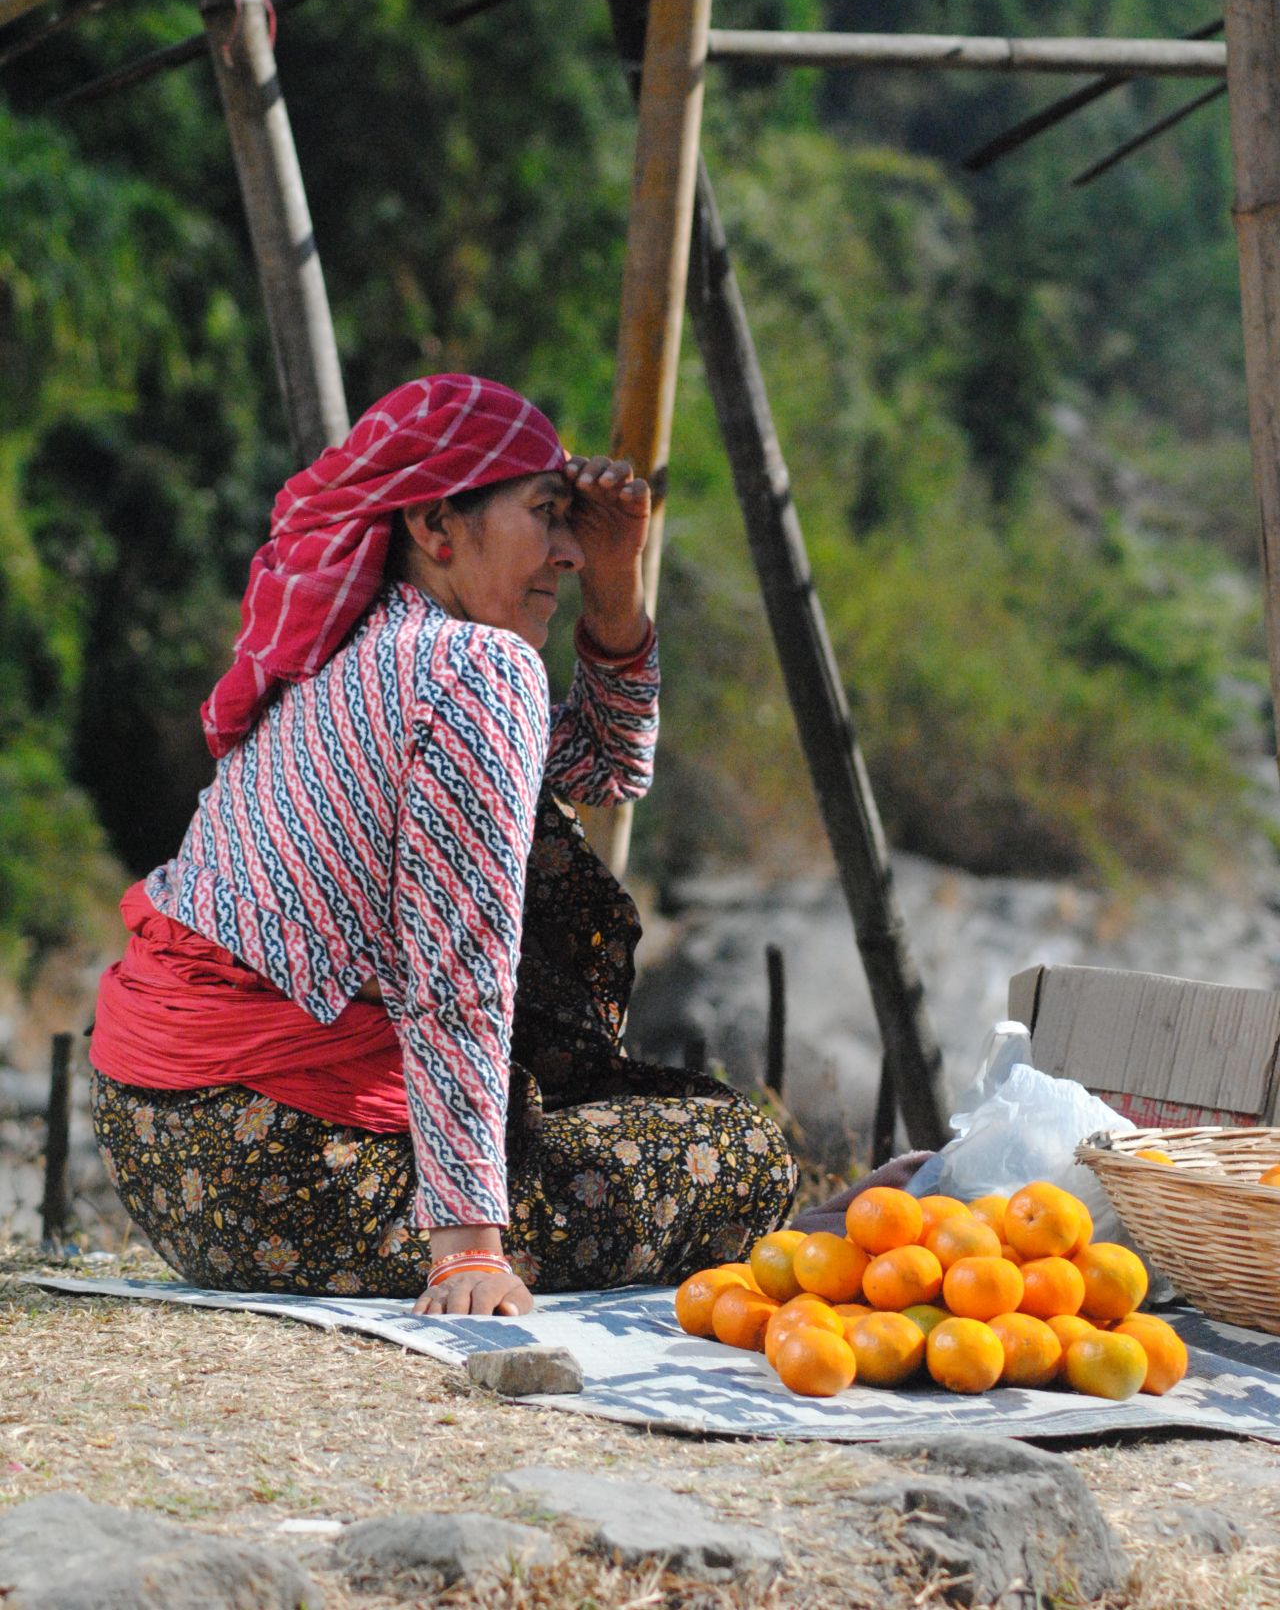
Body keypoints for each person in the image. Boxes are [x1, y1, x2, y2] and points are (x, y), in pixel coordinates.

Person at [90, 373, 798, 1315]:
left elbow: (600, 768)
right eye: (547, 517)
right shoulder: (472, 668)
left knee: (650, 1121)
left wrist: (621, 586)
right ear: (435, 527)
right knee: (744, 1156)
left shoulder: (372, 641)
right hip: (270, 1163)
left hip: (161, 1144)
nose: (567, 554)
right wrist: (466, 1244)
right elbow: (456, 967)